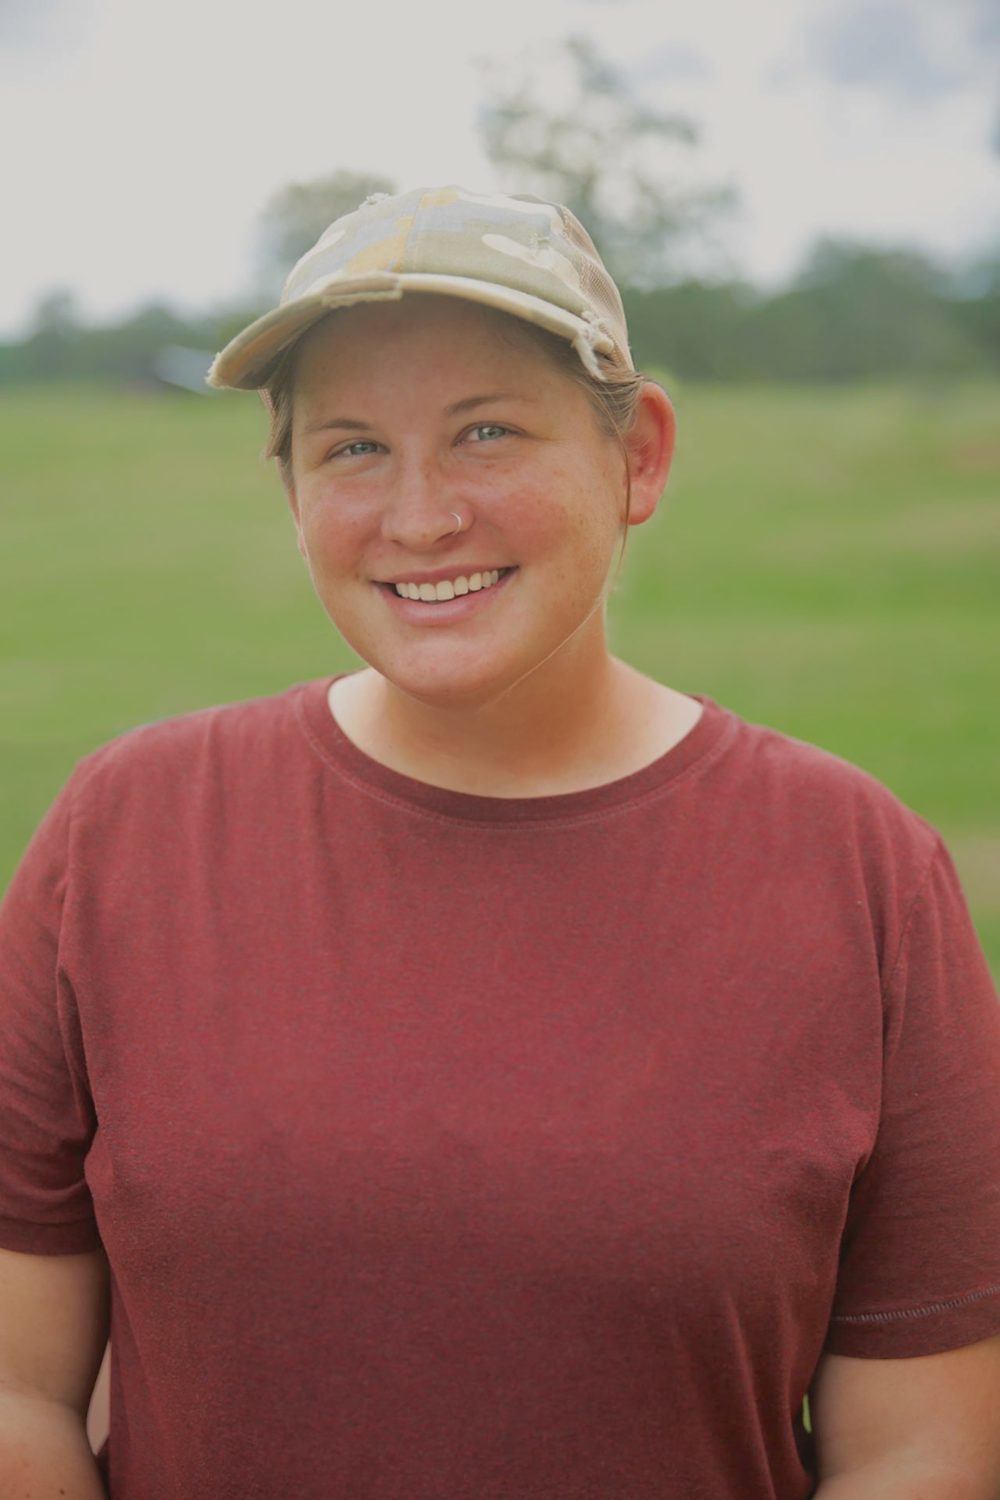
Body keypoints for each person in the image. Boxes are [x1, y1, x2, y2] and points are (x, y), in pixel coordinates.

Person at [1, 185, 999, 1500]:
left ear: (638, 455)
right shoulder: (122, 836)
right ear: (289, 485)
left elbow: (921, 1452)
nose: (420, 519)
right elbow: (19, 1392)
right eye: (352, 448)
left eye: (486, 432)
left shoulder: (860, 872)